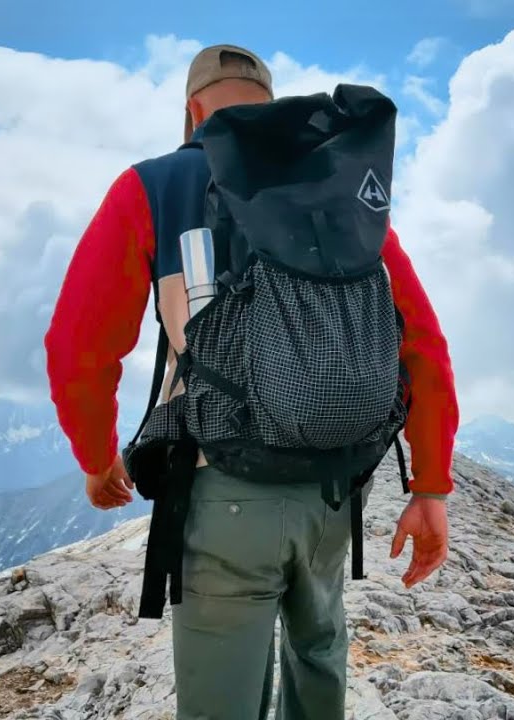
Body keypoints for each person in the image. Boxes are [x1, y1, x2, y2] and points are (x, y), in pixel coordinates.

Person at [45, 43, 459, 719]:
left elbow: (77, 348)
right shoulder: (338, 190)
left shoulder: (154, 186)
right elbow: (422, 344)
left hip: (222, 492)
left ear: (192, 112)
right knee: (318, 668)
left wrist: (96, 458)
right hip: (332, 493)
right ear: (268, 105)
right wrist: (431, 487)